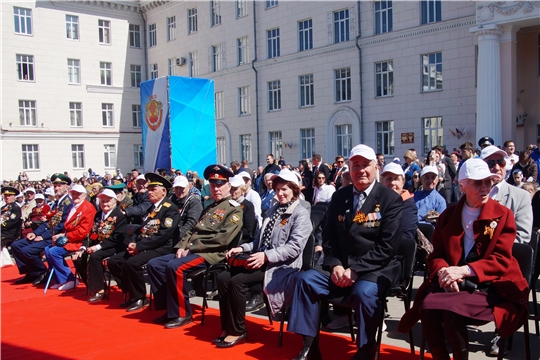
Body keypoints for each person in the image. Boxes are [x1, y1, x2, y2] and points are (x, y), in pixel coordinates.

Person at [398, 159, 529, 360]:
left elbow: (501, 260)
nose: (485, 188)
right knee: (427, 309)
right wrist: (443, 272)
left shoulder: (503, 214)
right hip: (453, 284)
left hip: (490, 285)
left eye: (488, 182)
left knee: (451, 313)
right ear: (462, 185)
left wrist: (463, 271)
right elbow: (437, 255)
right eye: (478, 183)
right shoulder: (449, 215)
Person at [288, 144, 403, 360]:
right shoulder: (340, 197)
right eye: (355, 165)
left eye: (366, 165)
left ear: (376, 167)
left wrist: (356, 270)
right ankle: (310, 347)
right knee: (304, 280)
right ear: (348, 169)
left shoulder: (390, 199)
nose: (361, 170)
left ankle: (366, 350)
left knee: (364, 293)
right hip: (341, 267)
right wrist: (336, 265)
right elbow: (329, 235)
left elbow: (388, 246)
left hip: (375, 269)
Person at [214, 169, 312, 348]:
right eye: (277, 189)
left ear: (294, 190)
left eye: (285, 189)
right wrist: (241, 247)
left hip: (280, 267)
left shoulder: (301, 214)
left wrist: (266, 256)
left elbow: (294, 248)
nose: (280, 193)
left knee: (237, 281)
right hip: (261, 259)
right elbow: (259, 241)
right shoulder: (273, 210)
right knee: (222, 278)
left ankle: (238, 330)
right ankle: (228, 327)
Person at [147, 165, 243, 329]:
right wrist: (181, 246)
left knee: (175, 267)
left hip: (211, 253)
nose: (216, 189)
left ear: (229, 185)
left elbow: (222, 240)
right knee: (154, 265)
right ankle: (170, 309)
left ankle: (182, 313)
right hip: (193, 250)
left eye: (220, 185)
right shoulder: (210, 207)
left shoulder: (234, 209)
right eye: (213, 185)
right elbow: (192, 229)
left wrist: (191, 248)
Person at [108, 173, 180, 312]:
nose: (149, 192)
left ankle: (140, 297)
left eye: (153, 189)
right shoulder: (151, 207)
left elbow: (163, 235)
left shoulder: (170, 208)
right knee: (114, 261)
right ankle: (130, 292)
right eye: (149, 189)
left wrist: (139, 247)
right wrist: (133, 242)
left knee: (132, 263)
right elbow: (141, 229)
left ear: (163, 191)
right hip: (144, 245)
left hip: (161, 248)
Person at [11, 174, 73, 285]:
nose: (56, 188)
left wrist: (43, 236)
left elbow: (62, 225)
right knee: (16, 246)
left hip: (55, 237)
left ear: (66, 187)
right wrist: (35, 233)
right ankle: (32, 272)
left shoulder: (68, 203)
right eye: (55, 186)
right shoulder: (56, 203)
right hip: (46, 233)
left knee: (27, 251)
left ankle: (43, 272)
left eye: (59, 186)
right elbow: (48, 222)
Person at [73, 189, 127, 302]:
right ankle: (92, 284)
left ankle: (99, 290)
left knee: (95, 256)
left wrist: (97, 247)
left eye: (108, 201)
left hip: (113, 246)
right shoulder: (98, 215)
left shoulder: (119, 216)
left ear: (114, 202)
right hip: (97, 245)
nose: (105, 204)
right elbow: (90, 233)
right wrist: (83, 248)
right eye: (103, 201)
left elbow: (117, 238)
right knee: (78, 258)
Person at [44, 184, 96, 290]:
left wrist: (64, 236)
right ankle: (59, 279)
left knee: (54, 252)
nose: (75, 196)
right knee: (47, 249)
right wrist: (58, 237)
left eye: (78, 194)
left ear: (84, 195)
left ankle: (70, 279)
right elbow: (67, 226)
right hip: (70, 239)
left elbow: (83, 232)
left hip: (80, 241)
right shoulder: (73, 206)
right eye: (73, 194)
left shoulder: (88, 208)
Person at [481, 145, 532, 244]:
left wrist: (489, 249)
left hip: (501, 255)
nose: (497, 167)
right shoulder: (473, 193)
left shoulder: (521, 196)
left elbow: (522, 236)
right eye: (491, 163)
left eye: (501, 162)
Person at [380, 163, 418, 242]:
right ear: (381, 182)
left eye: (396, 179)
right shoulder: (376, 202)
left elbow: (406, 237)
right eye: (389, 179)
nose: (392, 183)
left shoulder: (409, 206)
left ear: (403, 182)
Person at [170, 175, 203, 241]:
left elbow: (192, 223)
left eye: (182, 188)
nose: (179, 190)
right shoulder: (171, 200)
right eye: (176, 188)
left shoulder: (194, 202)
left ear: (188, 187)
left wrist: (177, 236)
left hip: (184, 238)